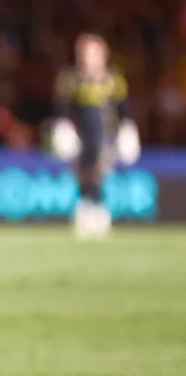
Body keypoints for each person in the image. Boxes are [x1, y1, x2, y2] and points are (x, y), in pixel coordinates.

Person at [49, 33, 140, 239]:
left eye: (94, 53)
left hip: (105, 137)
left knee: (99, 170)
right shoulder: (71, 80)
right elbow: (61, 108)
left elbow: (123, 110)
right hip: (81, 137)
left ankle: (99, 209)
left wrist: (128, 130)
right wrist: (63, 128)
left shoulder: (113, 81)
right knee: (84, 171)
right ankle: (85, 208)